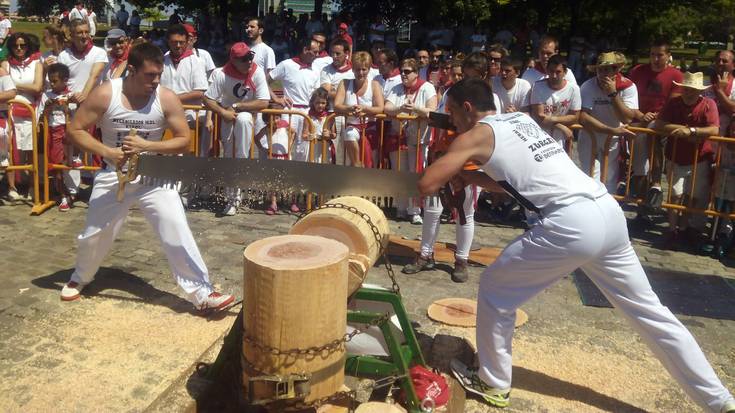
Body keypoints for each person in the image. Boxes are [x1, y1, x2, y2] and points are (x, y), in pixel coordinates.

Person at [417, 77, 735, 413]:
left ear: (467, 108)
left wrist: (448, 154)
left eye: (451, 112)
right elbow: (516, 182)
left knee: (496, 289)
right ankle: (720, 402)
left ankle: (493, 383)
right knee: (652, 315)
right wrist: (470, 175)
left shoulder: (475, 135)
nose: (449, 119)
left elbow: (427, 184)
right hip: (605, 211)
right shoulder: (520, 120)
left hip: (569, 223)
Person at [61, 42, 235, 312]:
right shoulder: (106, 94)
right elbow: (75, 130)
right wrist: (108, 151)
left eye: (159, 75)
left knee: (176, 228)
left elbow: (183, 141)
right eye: (150, 75)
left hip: (155, 178)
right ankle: (80, 277)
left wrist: (149, 146)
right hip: (113, 175)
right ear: (131, 70)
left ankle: (202, 292)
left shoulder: (165, 98)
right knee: (94, 235)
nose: (156, 81)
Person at [654, 72, 719, 250]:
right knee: (675, 194)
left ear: (700, 91)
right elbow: (659, 124)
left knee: (693, 196)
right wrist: (684, 129)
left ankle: (685, 228)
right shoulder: (674, 103)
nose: (689, 92)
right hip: (676, 156)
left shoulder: (708, 104)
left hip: (700, 158)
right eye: (687, 89)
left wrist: (691, 132)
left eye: (693, 89)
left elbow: (714, 129)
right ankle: (673, 229)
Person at [203, 43, 270, 216]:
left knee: (244, 120)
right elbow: (208, 99)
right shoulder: (221, 74)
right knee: (228, 156)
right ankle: (231, 198)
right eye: (244, 59)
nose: (249, 61)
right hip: (227, 120)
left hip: (247, 120)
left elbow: (263, 101)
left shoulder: (257, 71)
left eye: (250, 57)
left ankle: (238, 192)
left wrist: (237, 105)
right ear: (233, 60)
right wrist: (222, 112)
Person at [628, 39, 683, 216]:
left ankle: (657, 182)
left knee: (653, 131)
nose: (655, 58)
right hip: (638, 119)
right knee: (639, 166)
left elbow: (674, 102)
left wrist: (656, 116)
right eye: (652, 54)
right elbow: (628, 96)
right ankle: (643, 208)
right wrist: (639, 115)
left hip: (661, 121)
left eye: (660, 55)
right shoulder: (638, 71)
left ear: (668, 56)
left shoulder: (675, 75)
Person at [384, 58, 438, 224]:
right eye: (402, 71)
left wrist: (415, 109)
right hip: (398, 136)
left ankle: (414, 210)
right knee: (400, 172)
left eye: (407, 71)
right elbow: (387, 108)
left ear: (416, 73)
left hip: (418, 138)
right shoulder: (397, 88)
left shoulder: (427, 87)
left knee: (415, 173)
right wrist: (400, 109)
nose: (403, 74)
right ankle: (400, 208)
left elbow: (432, 110)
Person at [578, 52, 639, 193]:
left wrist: (613, 94)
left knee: (610, 178)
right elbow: (583, 117)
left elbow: (627, 118)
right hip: (591, 135)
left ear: (616, 70)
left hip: (613, 139)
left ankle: (608, 209)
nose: (603, 74)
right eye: (600, 70)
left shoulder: (628, 86)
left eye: (607, 69)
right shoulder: (587, 86)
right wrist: (611, 130)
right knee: (590, 176)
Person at [3, 33, 43, 202]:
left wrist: (14, 85)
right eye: (16, 46)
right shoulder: (6, 64)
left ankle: (32, 185)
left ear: (28, 46)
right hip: (10, 111)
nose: (19, 49)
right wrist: (23, 87)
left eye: (23, 45)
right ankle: (12, 187)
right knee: (10, 149)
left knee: (30, 149)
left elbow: (37, 87)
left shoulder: (36, 63)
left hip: (30, 111)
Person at [268, 37, 321, 163]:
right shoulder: (286, 64)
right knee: (283, 146)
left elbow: (316, 94)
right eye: (315, 52)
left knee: (303, 150)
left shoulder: (315, 70)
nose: (317, 55)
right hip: (289, 111)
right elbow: (265, 81)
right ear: (305, 50)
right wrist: (276, 98)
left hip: (307, 113)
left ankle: (300, 178)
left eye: (318, 52)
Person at [334, 51, 385, 167]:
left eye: (364, 69)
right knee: (350, 134)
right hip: (353, 125)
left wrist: (364, 109)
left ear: (369, 70)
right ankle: (357, 165)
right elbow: (337, 105)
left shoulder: (374, 85)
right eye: (357, 69)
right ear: (352, 69)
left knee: (372, 160)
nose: (361, 73)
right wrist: (349, 108)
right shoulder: (345, 83)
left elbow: (380, 108)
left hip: (369, 127)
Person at [37, 63, 73, 210]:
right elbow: (41, 116)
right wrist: (48, 106)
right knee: (55, 166)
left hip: (67, 131)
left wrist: (66, 108)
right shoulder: (47, 94)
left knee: (65, 164)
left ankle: (68, 194)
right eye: (50, 81)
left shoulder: (71, 95)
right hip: (52, 131)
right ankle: (62, 195)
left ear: (65, 80)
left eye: (55, 81)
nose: (51, 84)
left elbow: (76, 115)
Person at [530, 54, 581, 148]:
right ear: (547, 70)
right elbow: (539, 116)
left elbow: (575, 117)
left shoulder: (573, 89)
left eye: (558, 72)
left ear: (565, 72)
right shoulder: (537, 87)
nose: (554, 75)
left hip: (561, 138)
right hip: (540, 136)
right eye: (551, 71)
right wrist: (562, 127)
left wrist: (552, 119)